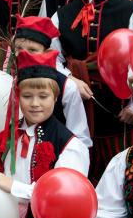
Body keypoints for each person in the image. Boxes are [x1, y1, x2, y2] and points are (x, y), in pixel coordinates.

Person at [0, 50, 89, 218]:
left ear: (56, 97)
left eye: (43, 96)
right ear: (18, 97)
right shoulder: (8, 134)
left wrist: (14, 187)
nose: (35, 103)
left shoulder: (69, 145)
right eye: (27, 96)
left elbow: (62, 199)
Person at [51, 0, 133, 180]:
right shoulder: (62, 15)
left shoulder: (131, 12)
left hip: (121, 113)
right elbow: (53, 57)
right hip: (78, 108)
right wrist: (70, 80)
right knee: (84, 173)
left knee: (123, 174)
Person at [13, 15, 91, 147]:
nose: (23, 55)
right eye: (19, 48)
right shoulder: (11, 81)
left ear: (47, 52)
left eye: (32, 50)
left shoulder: (67, 86)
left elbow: (80, 137)